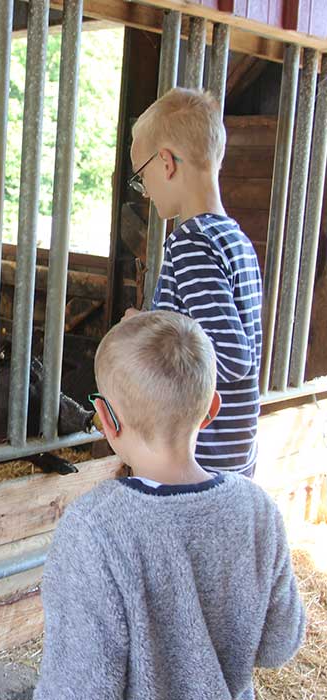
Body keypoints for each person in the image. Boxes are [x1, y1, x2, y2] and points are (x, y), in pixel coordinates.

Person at [33, 311, 304, 700]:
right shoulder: (258, 510)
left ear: (107, 420)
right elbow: (280, 644)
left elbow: (78, 687)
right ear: (211, 409)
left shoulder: (94, 528)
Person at [125, 87, 262, 477]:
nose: (145, 190)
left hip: (197, 457)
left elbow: (232, 357)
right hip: (235, 450)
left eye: (142, 176)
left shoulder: (191, 243)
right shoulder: (234, 238)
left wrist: (145, 330)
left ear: (165, 162)